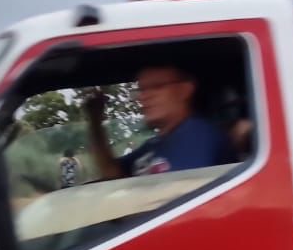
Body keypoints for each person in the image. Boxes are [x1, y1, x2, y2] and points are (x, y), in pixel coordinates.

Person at [84, 65, 235, 179]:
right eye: (142, 90)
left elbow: (176, 199)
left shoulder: (199, 136)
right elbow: (112, 172)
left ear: (185, 90)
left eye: (156, 87)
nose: (143, 97)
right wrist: (95, 121)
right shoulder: (154, 144)